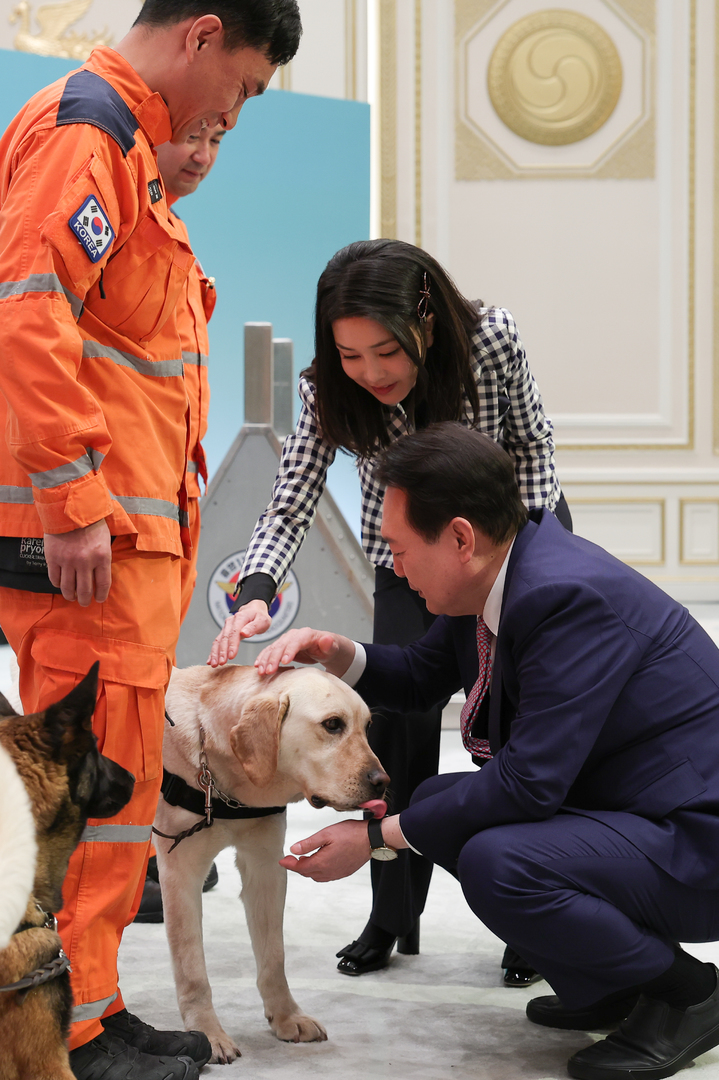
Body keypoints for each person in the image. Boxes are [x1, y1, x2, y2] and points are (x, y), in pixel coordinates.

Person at [0, 3, 301, 1078]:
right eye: (250, 84)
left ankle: (89, 1006)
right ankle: (60, 1034)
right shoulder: (86, 131)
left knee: (114, 798)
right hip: (93, 541)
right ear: (203, 35)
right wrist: (74, 499)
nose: (236, 109)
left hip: (129, 547)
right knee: (82, 794)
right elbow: (26, 315)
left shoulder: (127, 154)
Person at [252, 422, 719, 1080]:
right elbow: (418, 677)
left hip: (697, 846)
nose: (393, 565)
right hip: (641, 817)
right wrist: (335, 654)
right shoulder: (506, 573)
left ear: (460, 538)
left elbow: (529, 783)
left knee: (501, 860)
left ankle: (685, 994)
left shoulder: (563, 597)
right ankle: (614, 987)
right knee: (444, 805)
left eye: (400, 548)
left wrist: (376, 836)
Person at [209, 238, 569, 983]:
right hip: (407, 558)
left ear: (426, 324)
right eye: (349, 355)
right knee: (394, 738)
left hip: (511, 545)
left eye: (385, 351)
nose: (370, 374)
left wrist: (522, 561)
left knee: (516, 728)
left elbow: (532, 446)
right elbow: (292, 494)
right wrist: (253, 594)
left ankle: (533, 917)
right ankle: (390, 912)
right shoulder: (325, 390)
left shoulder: (490, 338)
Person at [134, 121, 226, 925]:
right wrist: (75, 510)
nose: (202, 153)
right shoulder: (91, 162)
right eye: (192, 134)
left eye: (219, 138)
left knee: (142, 719)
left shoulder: (169, 233)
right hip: (98, 533)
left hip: (153, 535)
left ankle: (147, 856)